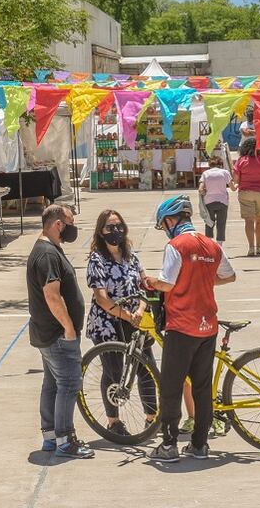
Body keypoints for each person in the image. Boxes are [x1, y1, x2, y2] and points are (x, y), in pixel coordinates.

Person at [145, 196, 236, 462]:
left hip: (181, 326)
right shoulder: (211, 245)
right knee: (202, 387)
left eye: (164, 225)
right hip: (208, 327)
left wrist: (150, 281)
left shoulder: (176, 246)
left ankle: (169, 445)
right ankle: (200, 445)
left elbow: (167, 284)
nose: (166, 230)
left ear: (171, 220)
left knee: (171, 386)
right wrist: (202, 281)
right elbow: (229, 276)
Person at [27, 204, 93, 459]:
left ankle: (51, 436)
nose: (73, 228)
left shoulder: (47, 250)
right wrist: (68, 328)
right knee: (68, 384)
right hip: (57, 335)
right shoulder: (47, 254)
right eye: (70, 223)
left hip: (48, 333)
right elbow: (52, 296)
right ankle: (66, 440)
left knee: (52, 384)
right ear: (58, 224)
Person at [85, 209, 157, 435]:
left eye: (118, 226)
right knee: (113, 372)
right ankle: (113, 421)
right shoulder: (97, 259)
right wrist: (127, 315)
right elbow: (102, 298)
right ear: (101, 232)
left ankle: (152, 418)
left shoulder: (131, 255)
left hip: (136, 321)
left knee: (147, 370)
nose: (115, 231)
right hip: (108, 323)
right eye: (109, 227)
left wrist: (141, 309)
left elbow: (143, 286)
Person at [234, 137, 260, 256]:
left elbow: (236, 179)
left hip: (245, 193)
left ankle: (251, 247)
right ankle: (259, 246)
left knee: (249, 221)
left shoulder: (241, 160)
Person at [198, 156, 235, 245]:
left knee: (209, 222)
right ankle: (219, 244)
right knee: (221, 223)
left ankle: (209, 243)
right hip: (222, 201)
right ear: (220, 164)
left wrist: (204, 192)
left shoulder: (205, 173)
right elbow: (232, 188)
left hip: (209, 202)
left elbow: (200, 189)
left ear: (210, 164)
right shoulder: (225, 172)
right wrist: (236, 186)